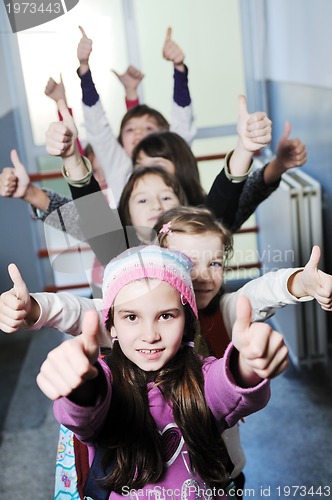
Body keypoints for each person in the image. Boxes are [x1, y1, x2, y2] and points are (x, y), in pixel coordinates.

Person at [35, 244, 287, 499]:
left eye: (166, 316)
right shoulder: (106, 379)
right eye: (132, 317)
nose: (150, 335)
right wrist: (80, 384)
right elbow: (85, 410)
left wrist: (248, 363)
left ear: (187, 321)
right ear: (111, 326)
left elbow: (229, 388)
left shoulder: (203, 374)